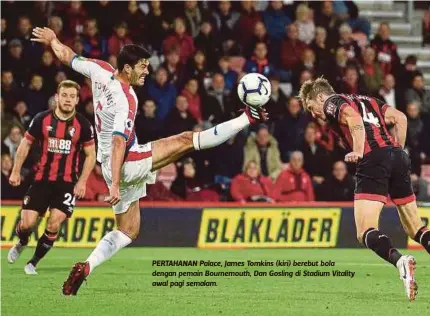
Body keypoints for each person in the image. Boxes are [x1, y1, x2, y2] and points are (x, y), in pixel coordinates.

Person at [31, 26, 267, 295]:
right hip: (125, 162)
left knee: (128, 230)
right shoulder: (126, 99)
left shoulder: (100, 70)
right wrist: (116, 186)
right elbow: (120, 140)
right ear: (128, 68)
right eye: (143, 67)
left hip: (109, 163)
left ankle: (86, 267)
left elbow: (69, 56)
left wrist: (53, 40)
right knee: (187, 140)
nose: (147, 72)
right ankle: (247, 118)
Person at [298, 76, 430, 301]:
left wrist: (360, 150)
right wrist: (396, 151)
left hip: (372, 159)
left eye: (312, 108)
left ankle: (401, 262)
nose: (314, 115)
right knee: (416, 228)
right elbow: (400, 118)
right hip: (398, 156)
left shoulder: (332, 101)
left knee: (365, 231)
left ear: (320, 96)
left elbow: (353, 118)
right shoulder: (368, 100)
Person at [7, 80, 96, 275]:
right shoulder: (41, 119)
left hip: (67, 184)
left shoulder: (84, 124)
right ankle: (22, 241)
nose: (68, 100)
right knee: (27, 224)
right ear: (57, 97)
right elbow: (25, 144)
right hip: (41, 180)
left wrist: (82, 182)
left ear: (77, 100)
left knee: (54, 223)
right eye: (64, 95)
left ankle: (33, 263)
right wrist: (15, 170)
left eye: (72, 97)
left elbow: (91, 155)